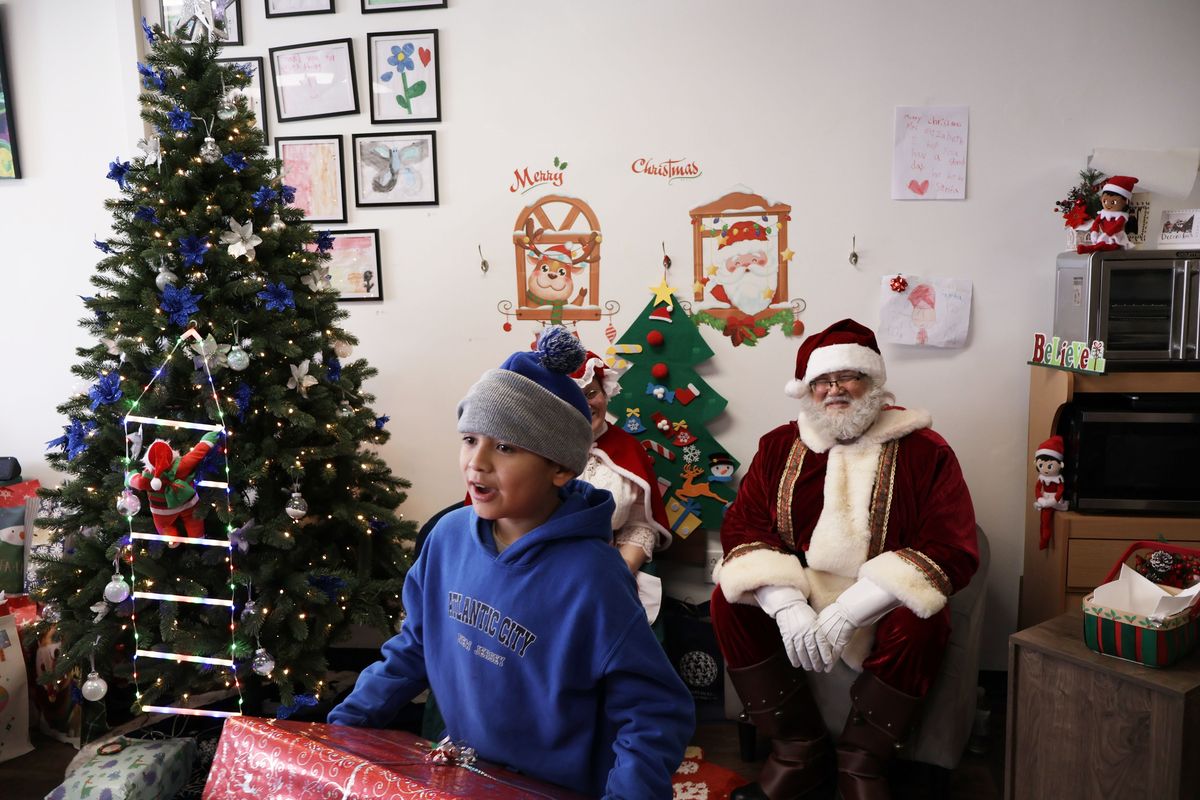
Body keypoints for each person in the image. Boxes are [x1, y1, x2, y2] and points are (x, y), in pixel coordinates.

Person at [327, 326, 694, 799]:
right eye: (469, 438)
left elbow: (653, 710)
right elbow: (414, 647)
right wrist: (343, 731)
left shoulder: (594, 577)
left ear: (560, 468)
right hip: (459, 777)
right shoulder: (447, 538)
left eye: (505, 446)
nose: (476, 463)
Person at [709, 318, 978, 800]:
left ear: (873, 382)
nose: (834, 390)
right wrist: (787, 605)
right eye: (822, 382)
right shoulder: (778, 447)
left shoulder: (926, 450)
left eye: (847, 378)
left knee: (926, 617)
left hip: (882, 600)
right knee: (727, 599)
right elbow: (745, 527)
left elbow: (950, 546)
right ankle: (797, 751)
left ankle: (863, 763)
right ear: (808, 390)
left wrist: (852, 610)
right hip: (802, 587)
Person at [570, 350, 672, 577]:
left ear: (605, 393)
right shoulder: (535, 449)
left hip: (602, 571)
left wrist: (620, 572)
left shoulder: (629, 449)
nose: (584, 405)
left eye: (591, 393)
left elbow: (641, 526)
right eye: (572, 397)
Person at [1077, 175, 1138, 254]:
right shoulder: (1103, 214)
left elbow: (1117, 227)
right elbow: (1096, 222)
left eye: (1113, 202)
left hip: (1116, 239)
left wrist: (1106, 234)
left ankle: (1089, 249)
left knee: (1108, 246)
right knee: (1102, 244)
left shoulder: (1121, 217)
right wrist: (1094, 232)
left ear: (1125, 202)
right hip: (1105, 237)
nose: (1108, 204)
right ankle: (1091, 248)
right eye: (1105, 201)